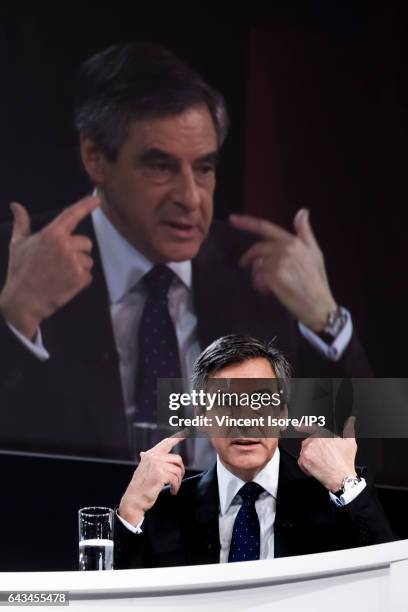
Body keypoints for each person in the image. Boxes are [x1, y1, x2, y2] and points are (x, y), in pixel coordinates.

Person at [0, 43, 371, 464]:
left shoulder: (261, 273)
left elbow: (373, 455)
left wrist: (327, 320)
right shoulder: (18, 268)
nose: (191, 198)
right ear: (95, 158)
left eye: (204, 168)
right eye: (161, 168)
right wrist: (14, 320)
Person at [114, 334, 395, 568]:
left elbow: (394, 580)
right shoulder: (165, 509)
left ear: (283, 413)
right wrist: (130, 509)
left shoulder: (334, 495)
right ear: (201, 417)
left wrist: (345, 484)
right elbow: (112, 600)